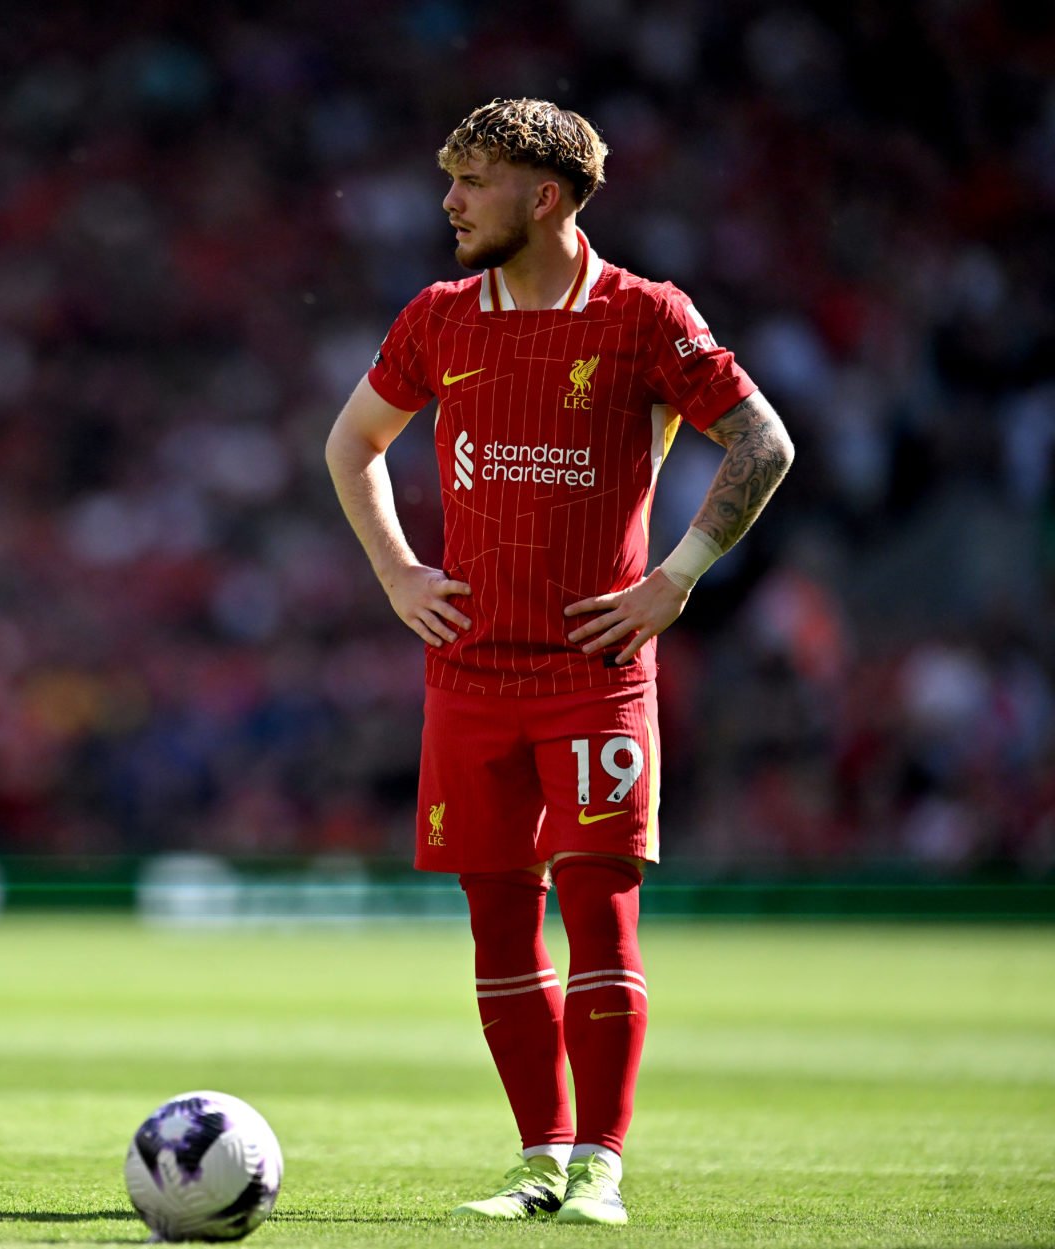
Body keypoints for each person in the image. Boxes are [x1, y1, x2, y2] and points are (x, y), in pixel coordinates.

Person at [324, 98, 794, 1226]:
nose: (449, 202)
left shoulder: (643, 315)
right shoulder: (439, 318)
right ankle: (536, 1159)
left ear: (542, 196)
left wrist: (675, 576)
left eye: (471, 181)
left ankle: (599, 1166)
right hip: (471, 675)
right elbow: (351, 444)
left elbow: (762, 442)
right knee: (497, 923)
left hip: (594, 672)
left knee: (599, 913)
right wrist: (397, 573)